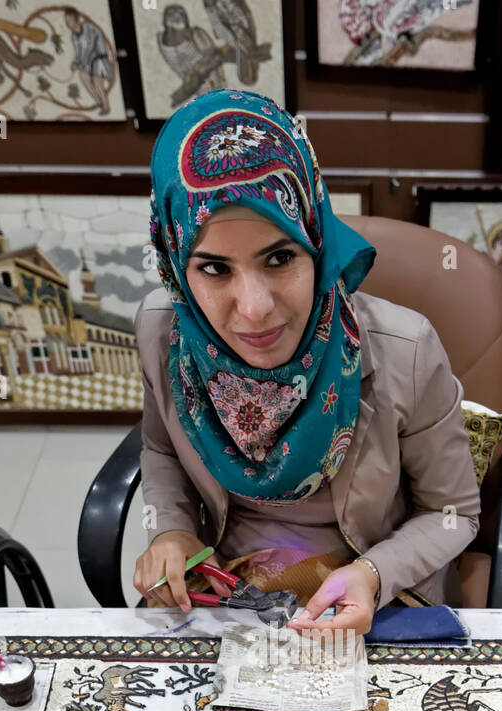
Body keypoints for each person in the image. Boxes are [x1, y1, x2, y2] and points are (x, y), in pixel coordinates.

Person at [132, 89, 480, 635]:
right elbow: (159, 447)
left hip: (368, 592)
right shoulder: (165, 335)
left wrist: (374, 572)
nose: (254, 309)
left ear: (316, 240)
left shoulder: (405, 351)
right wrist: (171, 531)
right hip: (227, 589)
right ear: (177, 267)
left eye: (280, 257)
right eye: (214, 269)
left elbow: (453, 513)